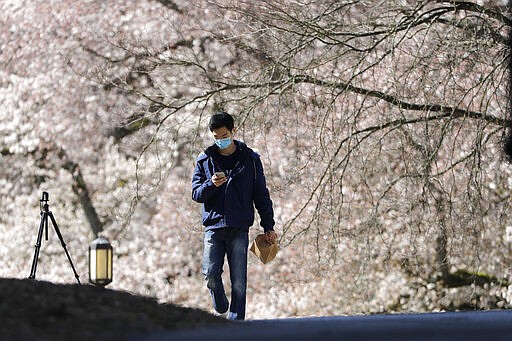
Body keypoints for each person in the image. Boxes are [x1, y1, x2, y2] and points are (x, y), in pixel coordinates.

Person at [191, 111, 278, 320]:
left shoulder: (251, 160)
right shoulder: (205, 160)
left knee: (239, 280)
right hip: (213, 227)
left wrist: (269, 226)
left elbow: (261, 194)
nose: (220, 141)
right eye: (216, 137)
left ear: (233, 131)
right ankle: (220, 303)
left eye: (224, 136)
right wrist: (211, 184)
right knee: (210, 273)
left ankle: (236, 322)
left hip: (239, 227)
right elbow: (196, 194)